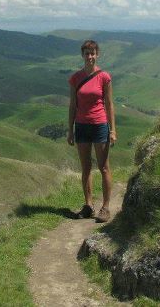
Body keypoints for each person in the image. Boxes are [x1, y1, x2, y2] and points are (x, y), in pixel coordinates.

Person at [67, 40, 117, 223]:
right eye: (87, 53)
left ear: (97, 54)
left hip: (99, 125)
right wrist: (70, 130)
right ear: (82, 55)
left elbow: (110, 104)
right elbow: (73, 105)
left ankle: (105, 207)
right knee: (86, 168)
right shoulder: (75, 78)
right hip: (81, 126)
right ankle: (88, 205)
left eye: (92, 53)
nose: (90, 57)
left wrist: (112, 130)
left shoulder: (104, 77)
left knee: (104, 167)